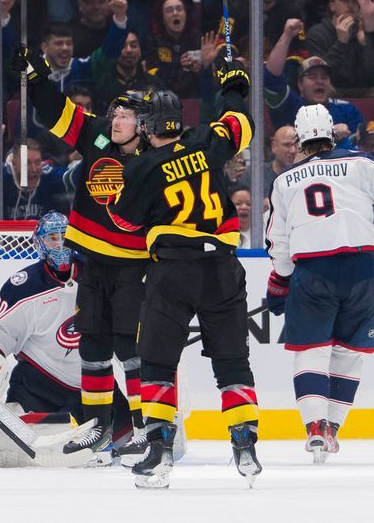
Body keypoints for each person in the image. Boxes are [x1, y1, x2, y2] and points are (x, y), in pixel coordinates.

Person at [105, 59, 261, 489]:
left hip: (173, 271)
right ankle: (245, 444)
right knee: (232, 361)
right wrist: (232, 84)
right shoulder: (210, 143)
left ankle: (158, 452)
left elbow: (124, 220)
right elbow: (239, 121)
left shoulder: (141, 167)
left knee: (157, 362)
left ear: (149, 126)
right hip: (224, 269)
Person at [12, 45, 150, 466]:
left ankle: (145, 428)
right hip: (91, 263)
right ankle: (98, 423)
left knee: (131, 349)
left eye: (125, 115)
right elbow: (57, 111)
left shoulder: (157, 159)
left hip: (133, 266)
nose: (117, 119)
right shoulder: (96, 134)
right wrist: (37, 78)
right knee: (92, 345)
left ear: (143, 124)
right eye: (116, 114)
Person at [265, 104, 374, 464]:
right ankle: (332, 429)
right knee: (350, 355)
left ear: (300, 138)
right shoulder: (362, 164)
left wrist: (280, 281)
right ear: (332, 133)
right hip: (362, 271)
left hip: (312, 272)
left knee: (311, 352)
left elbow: (279, 243)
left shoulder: (284, 181)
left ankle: (314, 428)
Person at [0, 212, 134, 450]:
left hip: (95, 386)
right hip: (37, 386)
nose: (59, 244)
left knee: (128, 443)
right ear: (39, 243)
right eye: (52, 238)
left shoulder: (96, 274)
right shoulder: (24, 286)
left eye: (64, 237)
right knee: (23, 449)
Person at [305, 0, 374, 97]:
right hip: (333, 91)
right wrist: (341, 42)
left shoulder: (364, 30)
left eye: (355, 1)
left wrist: (366, 45)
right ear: (332, 5)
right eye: (345, 0)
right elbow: (321, 75)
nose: (350, 5)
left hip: (364, 91)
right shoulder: (316, 34)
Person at [2, 139, 70, 220]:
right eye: (27, 163)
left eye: (37, 162)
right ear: (14, 164)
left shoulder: (50, 176)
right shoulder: (1, 178)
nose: (34, 169)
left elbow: (75, 176)